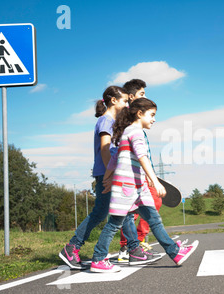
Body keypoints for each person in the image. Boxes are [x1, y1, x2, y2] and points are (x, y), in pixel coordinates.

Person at [91, 98, 198, 273]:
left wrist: (108, 178)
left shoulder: (126, 132)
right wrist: (155, 181)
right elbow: (142, 157)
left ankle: (175, 252)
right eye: (152, 115)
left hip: (137, 188)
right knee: (114, 224)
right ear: (140, 114)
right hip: (127, 187)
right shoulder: (135, 132)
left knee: (154, 220)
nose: (154, 119)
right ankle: (98, 259)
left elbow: (113, 161)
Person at [58, 86, 129, 270]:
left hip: (107, 172)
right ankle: (72, 248)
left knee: (104, 212)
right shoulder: (106, 121)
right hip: (106, 173)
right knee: (100, 213)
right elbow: (105, 149)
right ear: (113, 100)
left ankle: (74, 248)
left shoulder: (111, 121)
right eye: (124, 101)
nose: (127, 104)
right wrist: (110, 174)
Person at [117, 79, 159, 262]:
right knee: (131, 211)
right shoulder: (125, 119)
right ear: (132, 97)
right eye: (142, 94)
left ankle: (133, 244)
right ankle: (129, 246)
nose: (145, 96)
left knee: (151, 203)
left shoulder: (137, 119)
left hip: (140, 171)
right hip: (129, 174)